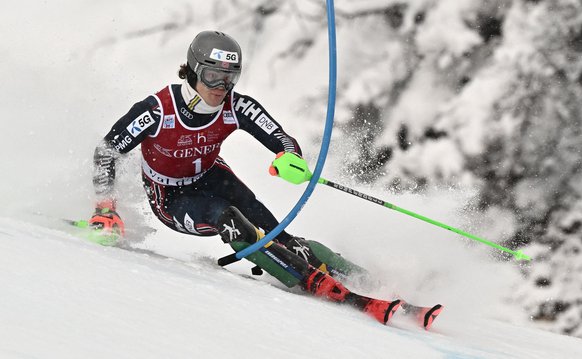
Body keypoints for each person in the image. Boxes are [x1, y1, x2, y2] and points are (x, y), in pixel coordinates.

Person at [88, 30, 399, 324]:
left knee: (277, 232)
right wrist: (105, 206)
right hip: (170, 196)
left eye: (229, 79)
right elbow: (107, 150)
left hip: (211, 176)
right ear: (193, 72)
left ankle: (368, 280)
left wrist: (289, 156)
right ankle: (311, 282)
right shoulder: (158, 110)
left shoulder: (236, 106)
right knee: (229, 219)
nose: (220, 89)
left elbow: (282, 138)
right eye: (212, 77)